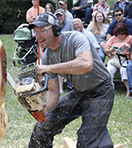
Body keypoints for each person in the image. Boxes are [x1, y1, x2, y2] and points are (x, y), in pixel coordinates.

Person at [28, 12, 114, 148]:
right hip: (80, 92)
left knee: (88, 140)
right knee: (42, 127)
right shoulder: (47, 57)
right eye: (36, 31)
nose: (38, 35)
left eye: (42, 30)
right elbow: (53, 91)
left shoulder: (76, 38)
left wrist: (50, 68)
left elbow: (86, 64)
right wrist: (44, 109)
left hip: (101, 91)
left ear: (56, 29)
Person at [105, 22, 132, 97]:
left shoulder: (130, 38)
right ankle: (109, 90)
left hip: (125, 58)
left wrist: (129, 49)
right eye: (118, 34)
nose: (120, 35)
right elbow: (106, 50)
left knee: (124, 70)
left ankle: (128, 91)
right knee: (109, 70)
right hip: (114, 59)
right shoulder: (113, 38)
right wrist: (111, 50)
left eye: (122, 33)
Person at [55, 8, 74, 94]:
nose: (59, 17)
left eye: (60, 15)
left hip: (69, 47)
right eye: (57, 16)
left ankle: (71, 83)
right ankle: (60, 88)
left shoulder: (70, 23)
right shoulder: (54, 24)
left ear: (64, 16)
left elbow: (74, 36)